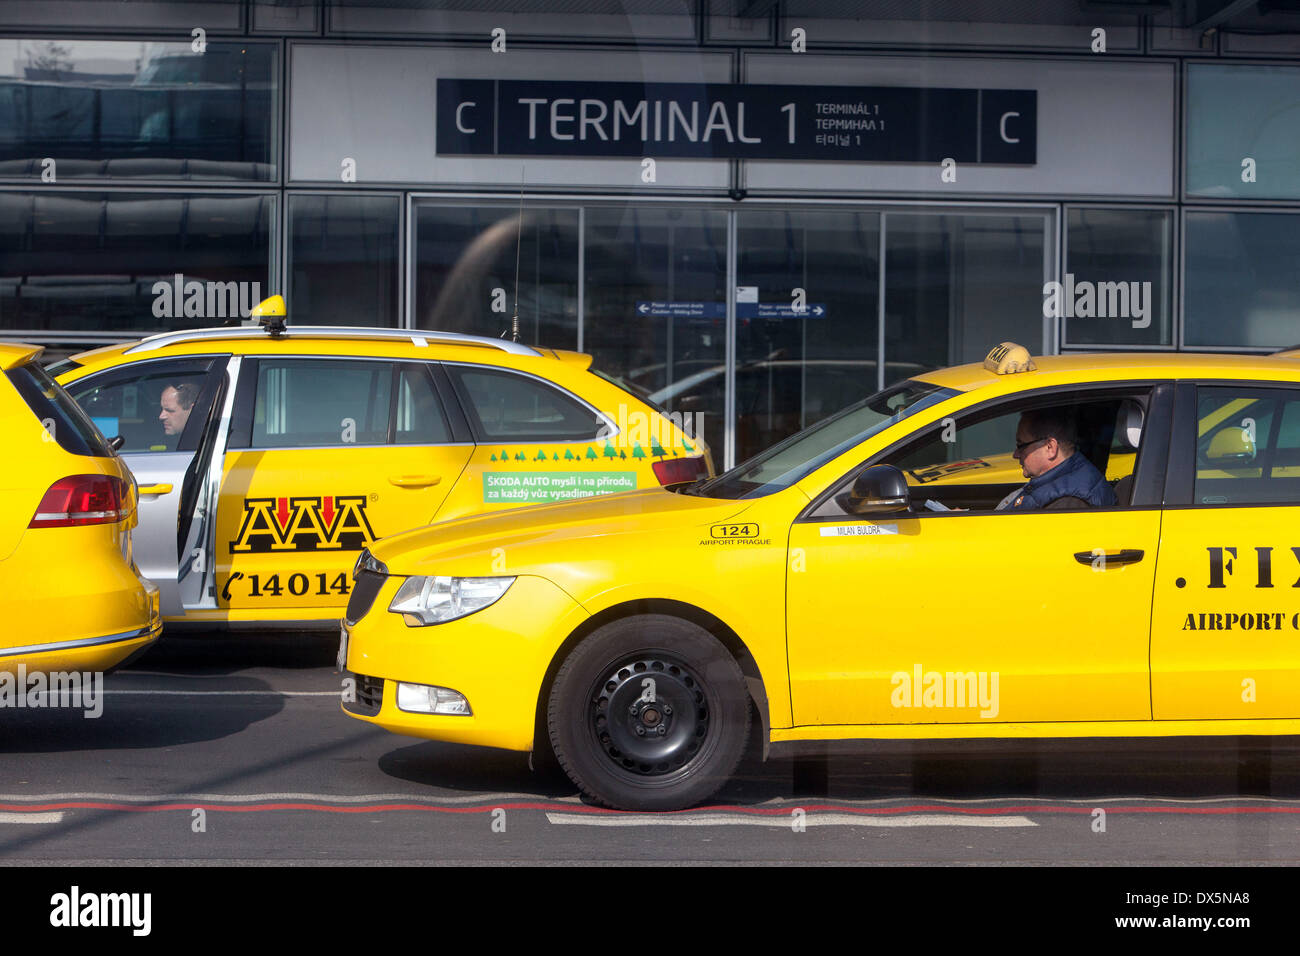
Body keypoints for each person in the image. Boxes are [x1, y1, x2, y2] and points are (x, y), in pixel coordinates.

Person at [996, 408, 1117, 510]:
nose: (1015, 454)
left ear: (1050, 447)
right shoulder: (1063, 486)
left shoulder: (1068, 504)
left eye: (1021, 446)